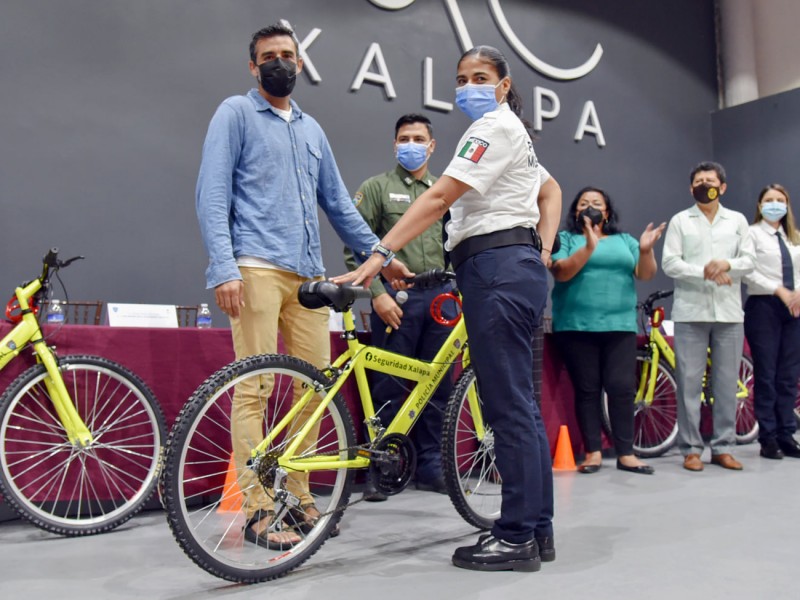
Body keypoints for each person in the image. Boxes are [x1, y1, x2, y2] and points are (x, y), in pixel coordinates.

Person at [333, 45, 561, 573]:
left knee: (507, 407)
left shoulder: (493, 130)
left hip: (497, 268)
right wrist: (541, 250)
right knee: (520, 406)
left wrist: (379, 254)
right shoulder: (512, 136)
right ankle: (537, 529)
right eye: (461, 78)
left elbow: (438, 199)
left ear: (504, 85)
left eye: (481, 77)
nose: (468, 86)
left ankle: (516, 537)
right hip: (509, 265)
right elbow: (551, 190)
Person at [195, 22, 409, 549]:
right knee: (256, 387)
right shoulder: (236, 113)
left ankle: (299, 495)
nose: (280, 63)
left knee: (314, 390)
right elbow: (212, 192)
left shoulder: (312, 130)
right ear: (253, 66)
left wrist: (380, 257)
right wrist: (223, 267)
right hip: (255, 267)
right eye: (269, 56)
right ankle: (259, 508)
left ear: (301, 63)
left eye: (288, 55)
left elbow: (339, 205)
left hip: (311, 277)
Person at [344, 114, 453, 501]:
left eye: (419, 138)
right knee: (387, 386)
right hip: (396, 299)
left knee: (439, 387)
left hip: (443, 301)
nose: (411, 144)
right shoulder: (376, 188)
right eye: (404, 138)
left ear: (432, 145)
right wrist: (377, 293)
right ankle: (382, 469)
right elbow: (355, 245)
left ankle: (432, 468)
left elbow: (457, 244)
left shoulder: (446, 190)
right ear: (394, 145)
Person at [550, 187, 665, 475]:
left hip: (620, 325)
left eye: (596, 203)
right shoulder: (565, 239)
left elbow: (645, 274)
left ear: (607, 212)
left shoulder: (625, 240)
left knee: (622, 388)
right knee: (587, 390)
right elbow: (561, 271)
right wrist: (588, 247)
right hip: (576, 325)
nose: (590, 207)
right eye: (583, 203)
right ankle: (593, 453)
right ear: (575, 212)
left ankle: (626, 453)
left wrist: (646, 250)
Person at [662, 161, 755, 472]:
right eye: (699, 181)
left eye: (710, 180)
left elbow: (749, 261)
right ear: (691, 188)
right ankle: (690, 449)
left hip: (729, 313)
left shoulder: (738, 221)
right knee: (688, 383)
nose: (704, 184)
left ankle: (724, 447)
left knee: (727, 383)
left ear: (722, 187)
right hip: (690, 312)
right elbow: (670, 264)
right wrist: (704, 271)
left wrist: (725, 265)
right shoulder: (680, 221)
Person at [742, 184, 800, 459]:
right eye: (769, 200)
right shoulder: (751, 234)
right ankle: (768, 438)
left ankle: (787, 433)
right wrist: (778, 289)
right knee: (766, 375)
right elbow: (747, 271)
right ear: (760, 204)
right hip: (764, 306)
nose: (775, 204)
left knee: (788, 376)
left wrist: (797, 293)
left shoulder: (794, 238)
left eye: (780, 200)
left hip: (794, 309)